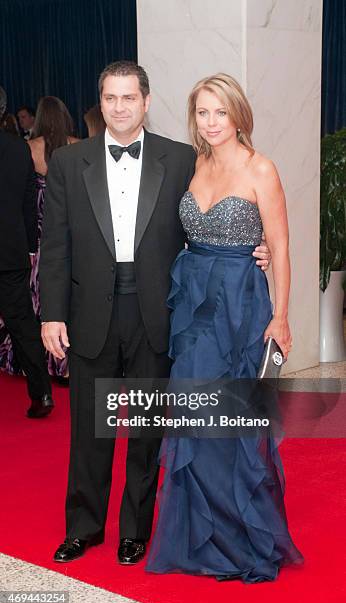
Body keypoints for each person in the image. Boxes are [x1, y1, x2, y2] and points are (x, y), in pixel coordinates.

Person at [39, 61, 270, 566]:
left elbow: (210, 218)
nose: (119, 107)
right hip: (87, 314)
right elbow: (55, 245)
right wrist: (50, 314)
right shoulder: (67, 163)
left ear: (146, 102)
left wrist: (256, 248)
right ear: (99, 104)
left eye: (128, 98)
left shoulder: (182, 158)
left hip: (160, 310)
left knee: (145, 428)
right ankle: (84, 526)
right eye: (109, 98)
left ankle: (135, 531)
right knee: (90, 428)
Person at [146, 73, 303, 582]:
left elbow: (279, 247)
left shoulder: (262, 169)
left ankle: (242, 537)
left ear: (238, 115)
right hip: (193, 307)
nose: (211, 123)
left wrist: (280, 316)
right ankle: (200, 536)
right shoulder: (196, 163)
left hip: (241, 307)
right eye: (202, 113)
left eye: (220, 112)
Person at [0, 86, 53, 418]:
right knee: (22, 324)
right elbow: (28, 202)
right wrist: (31, 246)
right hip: (11, 250)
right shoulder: (19, 149)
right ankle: (42, 394)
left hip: (12, 250)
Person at [27, 96, 79, 382]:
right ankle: (67, 365)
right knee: (70, 298)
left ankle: (46, 363)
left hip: (39, 232)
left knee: (41, 300)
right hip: (72, 229)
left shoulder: (30, 148)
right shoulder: (78, 145)